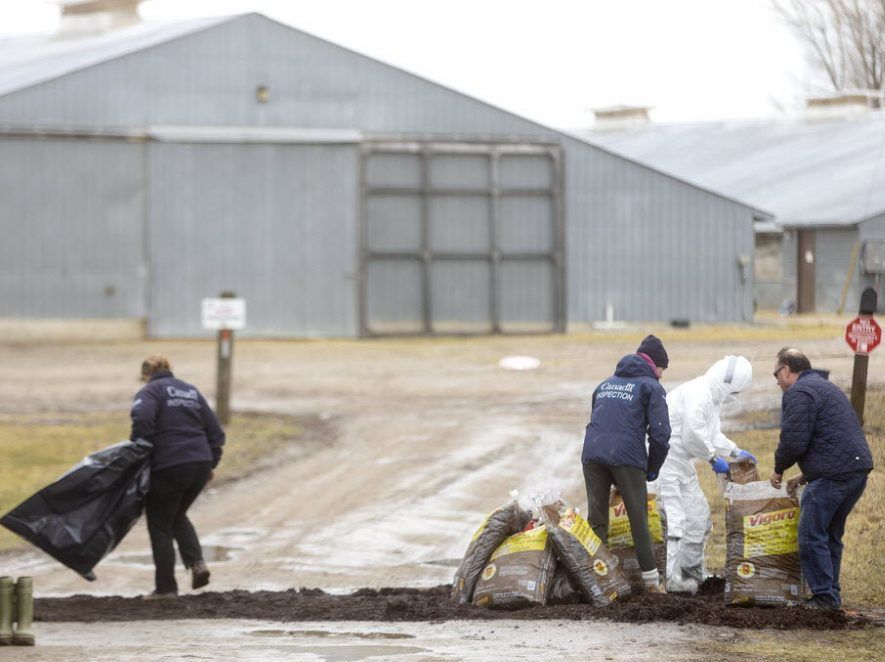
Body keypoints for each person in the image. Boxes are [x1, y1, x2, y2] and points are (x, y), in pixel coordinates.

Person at [769, 348, 873, 611]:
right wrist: (805, 476)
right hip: (855, 472)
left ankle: (824, 597)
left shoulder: (799, 393)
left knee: (810, 535)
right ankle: (831, 595)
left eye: (776, 374)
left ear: (785, 370)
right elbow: (832, 437)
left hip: (833, 476)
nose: (777, 381)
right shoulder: (825, 388)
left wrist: (778, 469)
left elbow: (793, 441)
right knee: (829, 536)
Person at [581, 334, 671, 593]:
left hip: (592, 454)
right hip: (626, 457)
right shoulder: (651, 387)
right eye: (662, 368)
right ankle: (652, 583)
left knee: (597, 519)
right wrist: (651, 469)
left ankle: (597, 582)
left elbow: (598, 418)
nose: (662, 375)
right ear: (654, 364)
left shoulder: (605, 384)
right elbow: (661, 435)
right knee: (638, 518)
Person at [659, 355, 755, 593]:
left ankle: (692, 573)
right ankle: (670, 579)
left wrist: (733, 450)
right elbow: (693, 436)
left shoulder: (712, 399)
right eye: (735, 393)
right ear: (727, 386)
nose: (734, 398)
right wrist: (713, 459)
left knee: (699, 518)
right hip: (666, 463)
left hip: (682, 464)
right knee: (676, 520)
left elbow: (710, 434)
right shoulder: (698, 394)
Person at [131, 355, 226, 598]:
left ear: (146, 375)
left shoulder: (150, 392)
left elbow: (142, 421)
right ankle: (197, 564)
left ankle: (166, 588)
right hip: (200, 462)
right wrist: (210, 464)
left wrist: (138, 453)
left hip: (170, 464)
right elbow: (215, 431)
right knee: (176, 515)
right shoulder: (190, 391)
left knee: (160, 524)